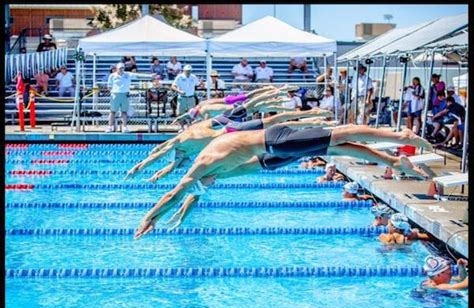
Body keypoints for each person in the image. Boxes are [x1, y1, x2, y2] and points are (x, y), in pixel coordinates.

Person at [133, 125, 432, 237]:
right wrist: (169, 217)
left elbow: (175, 194)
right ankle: (392, 160)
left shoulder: (206, 164)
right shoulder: (211, 161)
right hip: (270, 157)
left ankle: (399, 138)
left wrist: (150, 217)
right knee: (331, 146)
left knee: (338, 136)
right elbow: (187, 196)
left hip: (276, 143)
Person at [126, 107, 334, 183]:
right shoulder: (182, 155)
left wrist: (138, 167)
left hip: (231, 129)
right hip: (232, 133)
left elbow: (157, 153)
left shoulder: (180, 141)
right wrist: (154, 177)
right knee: (276, 125)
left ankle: (314, 118)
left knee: (277, 120)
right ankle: (315, 122)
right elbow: (169, 167)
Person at [173, 85, 293, 125]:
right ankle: (271, 90)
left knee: (260, 103)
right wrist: (178, 119)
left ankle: (274, 92)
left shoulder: (204, 113)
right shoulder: (202, 105)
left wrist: (191, 125)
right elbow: (186, 115)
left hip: (233, 105)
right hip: (229, 100)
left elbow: (205, 123)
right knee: (254, 97)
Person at [106, 62, 154, 133]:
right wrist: (113, 93)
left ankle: (124, 127)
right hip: (115, 95)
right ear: (117, 69)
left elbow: (138, 75)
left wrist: (150, 76)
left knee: (124, 112)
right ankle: (110, 127)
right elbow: (109, 86)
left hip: (125, 94)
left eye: (122, 68)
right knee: (113, 112)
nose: (121, 69)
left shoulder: (127, 74)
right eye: (120, 68)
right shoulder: (112, 76)